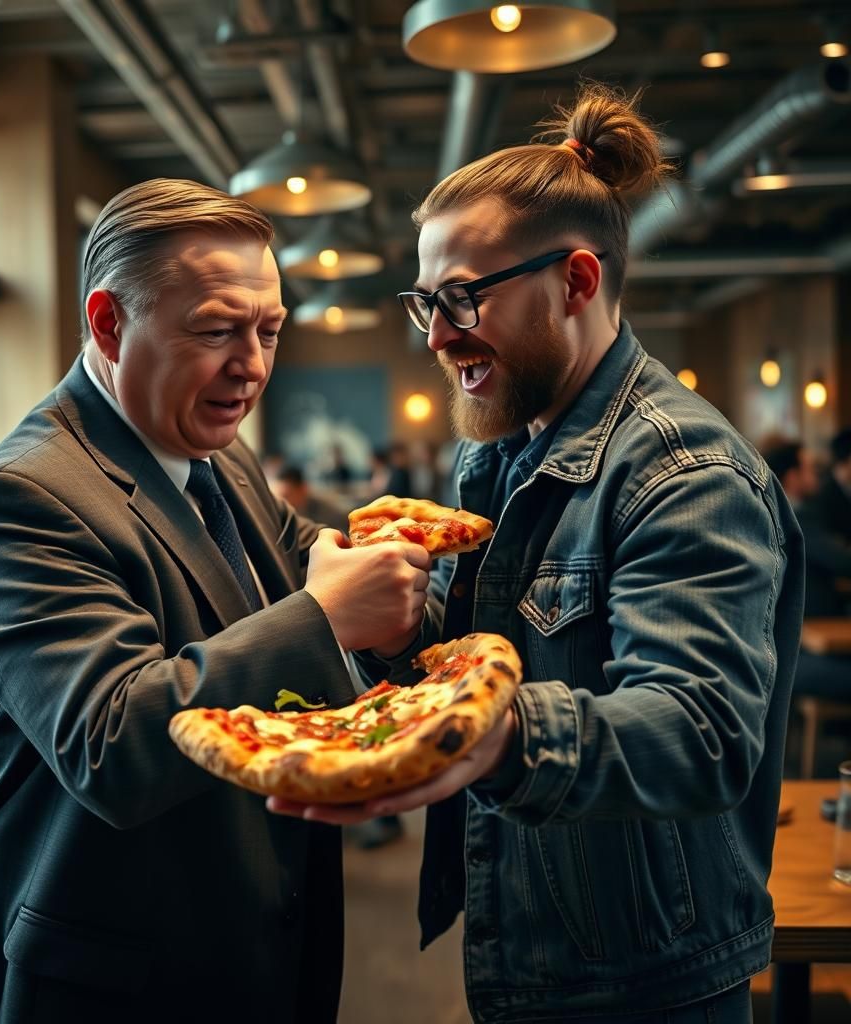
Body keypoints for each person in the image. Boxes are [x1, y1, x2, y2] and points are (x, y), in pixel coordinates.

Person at [270, 85, 804, 1023]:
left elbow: (702, 733)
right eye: (426, 303)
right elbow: (503, 648)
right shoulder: (499, 449)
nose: (438, 335)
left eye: (465, 297)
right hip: (532, 940)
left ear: (578, 282)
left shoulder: (687, 472)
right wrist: (402, 625)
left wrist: (494, 735)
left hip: (648, 980)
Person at [0, 179, 430, 1024]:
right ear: (107, 323)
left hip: (247, 939)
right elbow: (110, 741)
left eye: (269, 332)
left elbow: (309, 558)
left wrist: (385, 584)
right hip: (106, 981)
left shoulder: (220, 454)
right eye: (214, 331)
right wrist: (327, 618)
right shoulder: (19, 500)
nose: (253, 366)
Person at [762, 438, 851, 707]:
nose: (817, 474)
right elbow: (844, 561)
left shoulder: (768, 513)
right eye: (810, 468)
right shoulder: (794, 519)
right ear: (792, 477)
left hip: (777, 652)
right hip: (793, 657)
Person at [273, 462, 350, 531]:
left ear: (303, 489)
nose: (282, 501)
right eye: (279, 496)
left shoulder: (328, 514)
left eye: (287, 495)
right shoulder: (280, 514)